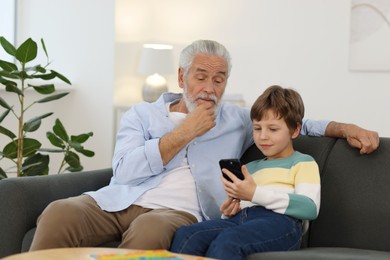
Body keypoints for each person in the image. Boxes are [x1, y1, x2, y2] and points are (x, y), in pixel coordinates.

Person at [30, 40, 379, 251]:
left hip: (177, 213)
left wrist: (344, 127)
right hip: (119, 198)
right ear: (182, 77)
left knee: (149, 229)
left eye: (219, 78)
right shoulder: (141, 115)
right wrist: (183, 133)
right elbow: (123, 171)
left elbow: (292, 123)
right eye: (201, 76)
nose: (210, 87)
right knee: (60, 212)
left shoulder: (236, 119)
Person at [170, 85, 320, 259]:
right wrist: (228, 212)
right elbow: (242, 204)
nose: (263, 136)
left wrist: (255, 194)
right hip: (241, 219)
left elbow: (310, 207)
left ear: (295, 130)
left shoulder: (302, 162)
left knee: (228, 241)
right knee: (187, 236)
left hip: (280, 222)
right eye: (257, 128)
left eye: (272, 129)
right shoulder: (248, 168)